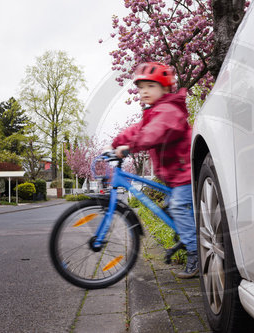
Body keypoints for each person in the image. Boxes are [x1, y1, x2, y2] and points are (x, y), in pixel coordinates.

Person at [110, 62, 198, 279]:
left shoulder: (169, 111)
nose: (144, 92)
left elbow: (153, 133)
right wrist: (116, 143)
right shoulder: (153, 113)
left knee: (177, 206)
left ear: (166, 89)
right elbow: (138, 130)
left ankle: (196, 253)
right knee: (171, 207)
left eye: (151, 86)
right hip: (176, 176)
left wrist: (130, 147)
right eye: (141, 87)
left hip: (185, 172)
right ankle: (192, 237)